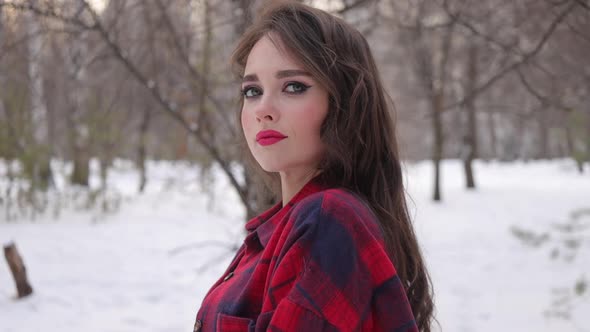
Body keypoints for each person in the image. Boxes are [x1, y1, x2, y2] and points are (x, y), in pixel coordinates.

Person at [193, 1, 434, 331]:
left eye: (293, 87)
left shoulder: (328, 221)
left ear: (342, 104)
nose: (263, 109)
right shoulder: (291, 226)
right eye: (252, 90)